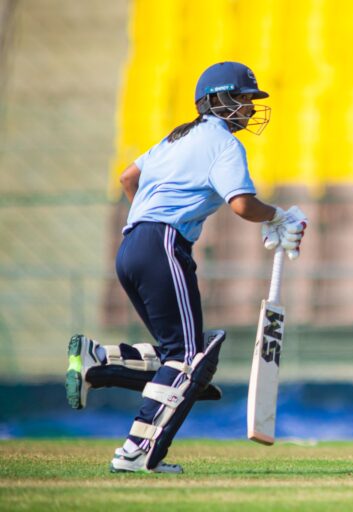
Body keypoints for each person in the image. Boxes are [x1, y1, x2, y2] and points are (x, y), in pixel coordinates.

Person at [65, 61, 307, 473]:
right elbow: (242, 204)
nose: (250, 107)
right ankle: (137, 451)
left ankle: (98, 360)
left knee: (178, 355)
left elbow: (127, 178)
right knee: (190, 359)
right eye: (243, 98)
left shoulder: (176, 138)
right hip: (162, 244)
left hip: (132, 246)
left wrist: (148, 218)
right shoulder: (223, 144)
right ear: (217, 100)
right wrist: (278, 216)